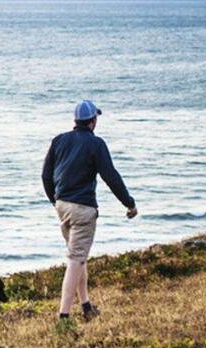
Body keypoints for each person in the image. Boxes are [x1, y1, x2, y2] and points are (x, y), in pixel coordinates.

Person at [42, 100, 137, 323]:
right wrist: (129, 203)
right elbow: (110, 176)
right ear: (93, 121)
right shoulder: (96, 144)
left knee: (79, 257)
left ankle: (86, 306)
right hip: (83, 210)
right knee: (75, 259)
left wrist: (55, 201)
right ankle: (63, 317)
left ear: (76, 120)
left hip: (63, 205)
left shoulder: (59, 140)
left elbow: (46, 176)